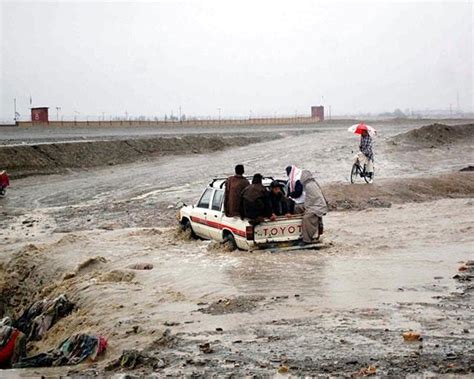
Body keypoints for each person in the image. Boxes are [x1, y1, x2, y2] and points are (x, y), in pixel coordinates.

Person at [299, 170, 328, 244]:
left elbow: (311, 199)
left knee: (306, 218)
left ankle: (307, 239)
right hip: (317, 205)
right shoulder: (312, 183)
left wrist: (306, 209)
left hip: (317, 207)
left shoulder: (309, 186)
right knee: (297, 208)